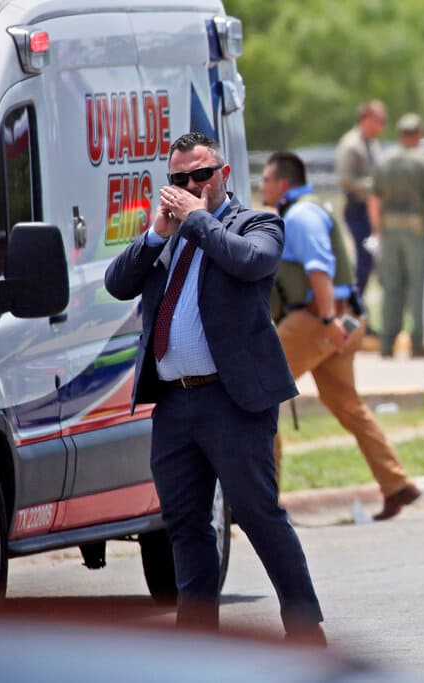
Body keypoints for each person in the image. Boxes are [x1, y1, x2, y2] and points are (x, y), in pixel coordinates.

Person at [104, 133, 326, 643]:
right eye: (178, 180)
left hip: (233, 401)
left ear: (223, 174)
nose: (190, 187)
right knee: (184, 523)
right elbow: (118, 284)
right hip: (176, 401)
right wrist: (158, 234)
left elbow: (250, 262)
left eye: (200, 175)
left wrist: (197, 218)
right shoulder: (172, 233)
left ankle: (304, 624)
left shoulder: (255, 223)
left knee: (257, 513)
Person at [261, 152, 422, 521]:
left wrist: (329, 319)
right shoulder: (310, 209)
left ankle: (261, 502)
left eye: (267, 180)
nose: (262, 186)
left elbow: (319, 268)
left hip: (320, 319)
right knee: (348, 405)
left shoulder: (300, 215)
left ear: (283, 183)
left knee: (259, 391)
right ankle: (396, 483)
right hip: (344, 319)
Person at [367, 113, 424, 358]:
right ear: (420, 134)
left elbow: (374, 199)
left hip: (389, 231)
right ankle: (417, 343)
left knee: (391, 287)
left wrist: (377, 229)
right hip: (416, 231)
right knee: (419, 288)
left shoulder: (385, 160)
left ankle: (386, 343)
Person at [336, 100, 386, 296]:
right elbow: (346, 180)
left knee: (371, 259)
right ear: (366, 119)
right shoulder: (351, 144)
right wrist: (376, 186)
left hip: (372, 209)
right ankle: (355, 306)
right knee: (365, 259)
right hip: (358, 209)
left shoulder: (372, 144)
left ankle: (359, 308)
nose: (382, 125)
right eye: (379, 120)